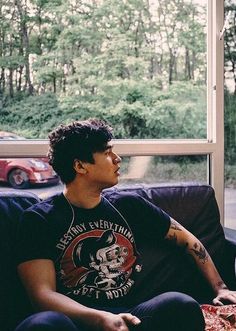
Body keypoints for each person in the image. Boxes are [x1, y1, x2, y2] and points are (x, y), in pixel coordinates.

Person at [15, 119, 236, 331]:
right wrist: (100, 319)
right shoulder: (39, 219)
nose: (117, 158)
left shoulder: (128, 205)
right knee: (41, 324)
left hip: (132, 317)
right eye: (107, 152)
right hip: (75, 319)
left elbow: (188, 241)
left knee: (181, 304)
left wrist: (220, 288)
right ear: (80, 166)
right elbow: (42, 295)